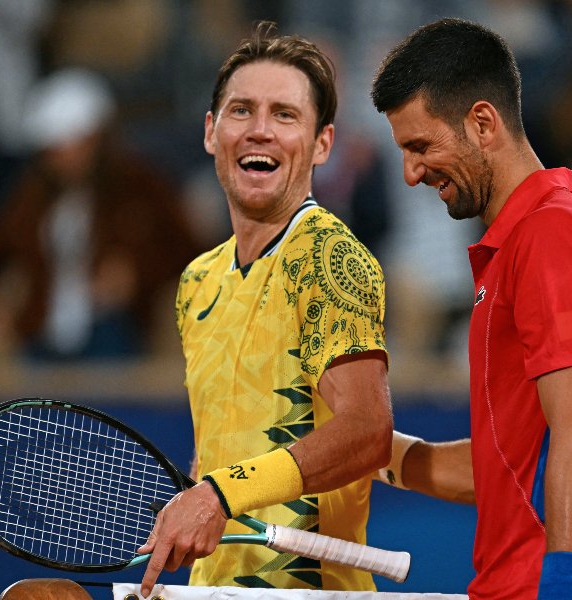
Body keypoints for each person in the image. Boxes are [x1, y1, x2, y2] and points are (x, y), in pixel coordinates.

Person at [371, 18, 572, 600]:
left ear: (482, 123)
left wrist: (560, 587)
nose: (411, 173)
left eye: (421, 146)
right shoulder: (518, 246)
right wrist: (367, 452)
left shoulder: (551, 236)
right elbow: (498, 471)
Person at [138, 22, 393, 597]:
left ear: (322, 143)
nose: (260, 131)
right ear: (210, 132)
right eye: (241, 111)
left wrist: (221, 495)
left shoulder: (328, 255)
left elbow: (366, 431)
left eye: (284, 115)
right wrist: (199, 501)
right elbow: (222, 453)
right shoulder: (198, 280)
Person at [0, 69, 199, 361]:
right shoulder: (32, 198)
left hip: (112, 330)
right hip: (43, 334)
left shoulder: (139, 187)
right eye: (56, 151)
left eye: (76, 146)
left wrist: (136, 275)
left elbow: (188, 250)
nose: (67, 159)